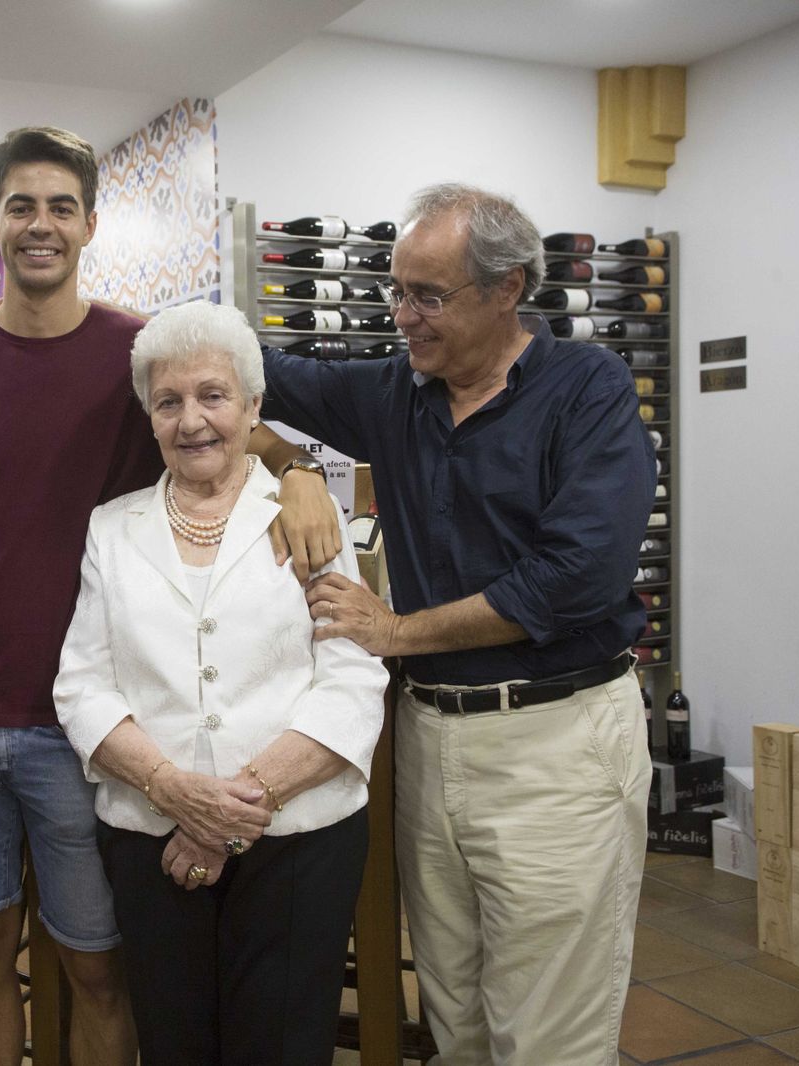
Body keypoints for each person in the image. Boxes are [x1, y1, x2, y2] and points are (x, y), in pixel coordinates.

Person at [0, 126, 336, 1065]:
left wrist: (307, 473)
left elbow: (237, 427)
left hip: (91, 727)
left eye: (60, 207)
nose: (40, 225)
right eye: (21, 206)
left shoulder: (135, 356)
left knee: (98, 965)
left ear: (89, 224)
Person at [260, 183, 657, 1065]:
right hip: (434, 742)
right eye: (397, 292)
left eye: (427, 296)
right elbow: (262, 371)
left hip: (555, 745)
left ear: (508, 287)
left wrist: (395, 632)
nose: (404, 317)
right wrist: (88, 318)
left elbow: (576, 578)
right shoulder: (398, 391)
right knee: (456, 1019)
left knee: (547, 1032)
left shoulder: (586, 390)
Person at [53, 300, 387, 1065]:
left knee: (281, 1046)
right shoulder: (112, 527)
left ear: (253, 407)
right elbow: (82, 686)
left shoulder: (306, 514)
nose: (192, 420)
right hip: (152, 837)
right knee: (174, 1044)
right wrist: (174, 791)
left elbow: (351, 676)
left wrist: (238, 806)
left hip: (299, 838)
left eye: (213, 396)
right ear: (148, 416)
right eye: (169, 402)